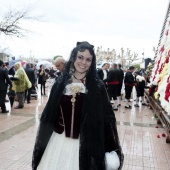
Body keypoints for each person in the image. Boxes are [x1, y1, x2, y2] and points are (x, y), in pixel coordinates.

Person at [32, 41, 124, 170]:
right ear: (74, 57)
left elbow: (107, 118)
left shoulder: (97, 86)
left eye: (88, 59)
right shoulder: (61, 83)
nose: (83, 62)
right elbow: (50, 113)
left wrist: (109, 146)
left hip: (87, 143)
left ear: (92, 62)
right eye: (80, 57)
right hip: (59, 140)